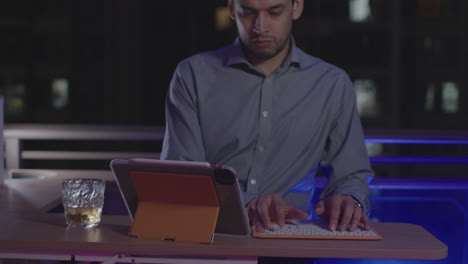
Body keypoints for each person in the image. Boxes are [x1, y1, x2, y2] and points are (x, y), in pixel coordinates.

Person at [161, 0, 373, 249]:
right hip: (208, 240)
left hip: (291, 245)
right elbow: (183, 176)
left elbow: (350, 173)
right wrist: (247, 202)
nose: (260, 27)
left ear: (296, 8)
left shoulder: (332, 84)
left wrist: (349, 200)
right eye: (248, 13)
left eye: (274, 12)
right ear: (232, 10)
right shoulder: (193, 75)